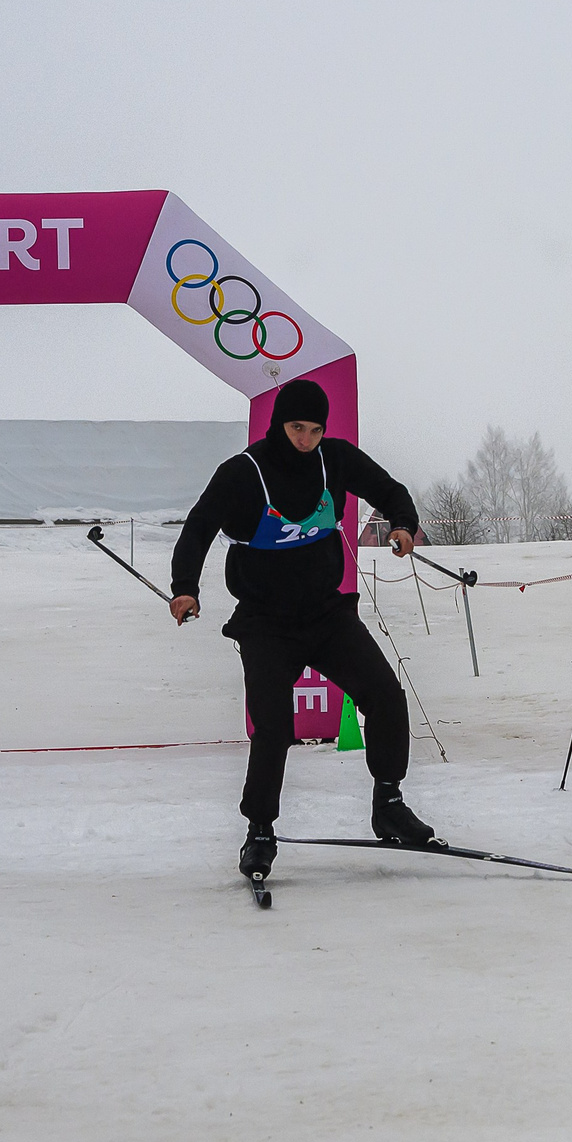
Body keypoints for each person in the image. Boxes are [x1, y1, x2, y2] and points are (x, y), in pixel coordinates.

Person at [170, 377, 435, 882]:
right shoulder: (243, 473)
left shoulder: (334, 458)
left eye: (315, 430)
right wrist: (185, 587)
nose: (306, 440)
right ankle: (261, 831)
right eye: (297, 428)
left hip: (325, 615)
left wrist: (402, 522)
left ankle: (389, 803)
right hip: (265, 623)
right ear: (279, 425)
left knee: (384, 693)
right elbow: (199, 525)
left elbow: (389, 491)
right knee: (274, 727)